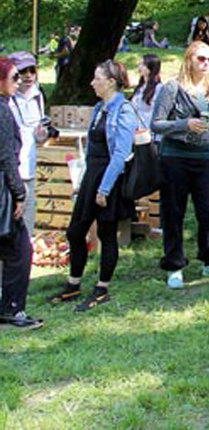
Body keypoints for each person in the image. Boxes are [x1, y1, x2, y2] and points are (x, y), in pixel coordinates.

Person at [46, 60, 136, 311]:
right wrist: (84, 180)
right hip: (92, 176)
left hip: (109, 178)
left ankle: (102, 288)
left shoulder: (124, 110)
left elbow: (120, 154)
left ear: (111, 82)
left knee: (107, 233)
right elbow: (91, 148)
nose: (92, 82)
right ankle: (73, 284)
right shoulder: (99, 108)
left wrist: (104, 189)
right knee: (76, 231)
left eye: (97, 78)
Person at [151, 41, 209, 289]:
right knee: (173, 212)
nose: (206, 63)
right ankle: (174, 265)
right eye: (201, 59)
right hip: (175, 157)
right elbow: (156, 124)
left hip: (206, 159)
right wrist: (184, 124)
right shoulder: (172, 88)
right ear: (189, 61)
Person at [0, 57, 41, 329]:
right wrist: (19, 193)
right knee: (20, 250)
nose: (19, 81)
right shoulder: (3, 110)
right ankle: (13, 309)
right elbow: (6, 156)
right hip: (3, 188)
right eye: (14, 77)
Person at [9, 52, 49, 233]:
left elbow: (38, 136)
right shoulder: (7, 98)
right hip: (10, 169)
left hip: (29, 168)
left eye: (32, 71)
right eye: (23, 71)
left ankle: (26, 248)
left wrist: (42, 134)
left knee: (27, 220)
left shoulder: (38, 95)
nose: (28, 76)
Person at [131, 54, 163, 138]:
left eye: (143, 64)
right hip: (137, 132)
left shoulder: (159, 88)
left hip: (149, 134)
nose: (140, 67)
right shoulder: (140, 88)